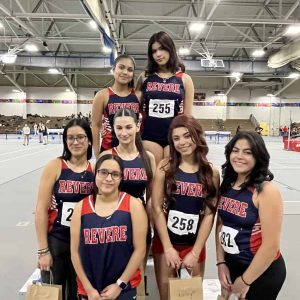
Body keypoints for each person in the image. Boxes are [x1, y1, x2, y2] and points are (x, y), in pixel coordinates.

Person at [152, 115, 219, 300]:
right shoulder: (165, 167)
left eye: (187, 136)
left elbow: (208, 215)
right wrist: (167, 248)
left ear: (197, 136)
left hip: (193, 246)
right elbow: (156, 208)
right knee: (166, 297)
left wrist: (195, 252)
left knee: (190, 298)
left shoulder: (211, 173)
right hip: (166, 244)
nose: (182, 142)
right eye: (176, 138)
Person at [215, 131, 286, 300]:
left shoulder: (266, 191)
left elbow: (271, 246)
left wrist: (246, 281)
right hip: (233, 265)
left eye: (247, 152)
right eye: (235, 150)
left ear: (258, 156)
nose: (239, 156)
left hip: (262, 272)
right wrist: (221, 263)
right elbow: (220, 226)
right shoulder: (227, 185)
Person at [70, 154, 148, 300]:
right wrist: (88, 289)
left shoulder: (133, 205)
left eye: (115, 174)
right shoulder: (81, 208)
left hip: (123, 289)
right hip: (90, 290)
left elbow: (140, 250)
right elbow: (74, 253)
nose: (109, 178)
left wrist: (120, 285)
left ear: (121, 178)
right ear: (96, 173)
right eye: (103, 172)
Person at [35, 118, 94, 300]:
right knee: (53, 293)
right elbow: (40, 210)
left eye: (80, 137)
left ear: (89, 140)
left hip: (84, 243)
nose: (75, 142)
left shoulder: (96, 170)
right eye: (70, 138)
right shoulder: (55, 166)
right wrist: (43, 251)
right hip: (57, 241)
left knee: (77, 294)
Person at [100, 108, 156, 295]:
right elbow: (99, 195)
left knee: (137, 272)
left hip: (139, 224)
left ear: (138, 126)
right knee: (112, 272)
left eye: (128, 127)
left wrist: (150, 224)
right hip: (113, 223)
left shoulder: (148, 158)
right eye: (119, 128)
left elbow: (151, 198)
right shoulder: (107, 156)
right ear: (113, 129)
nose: (124, 133)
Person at [136, 31, 195, 165]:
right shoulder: (144, 77)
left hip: (174, 137)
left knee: (170, 178)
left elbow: (187, 116)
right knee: (153, 178)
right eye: (154, 51)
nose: (158, 54)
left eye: (162, 48)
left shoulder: (185, 79)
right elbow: (134, 108)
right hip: (149, 135)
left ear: (170, 48)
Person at [92, 54, 141, 157]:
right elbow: (95, 126)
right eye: (121, 67)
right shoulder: (102, 95)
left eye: (130, 69)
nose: (125, 72)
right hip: (108, 150)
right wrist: (97, 154)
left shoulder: (138, 95)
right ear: (113, 69)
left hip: (133, 152)